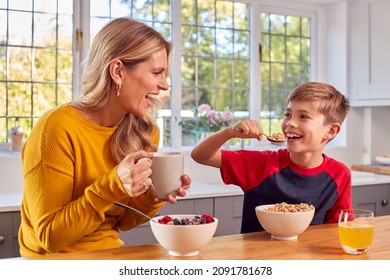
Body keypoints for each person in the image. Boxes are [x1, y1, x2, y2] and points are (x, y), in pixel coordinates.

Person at [18, 17, 191, 257]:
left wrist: (155, 196)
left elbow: (122, 222)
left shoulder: (144, 132)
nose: (164, 85)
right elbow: (50, 237)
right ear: (118, 71)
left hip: (108, 256)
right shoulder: (56, 128)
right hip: (52, 264)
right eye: (157, 72)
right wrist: (114, 183)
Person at [191, 82, 351, 233]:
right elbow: (200, 156)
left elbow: (338, 229)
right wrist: (229, 133)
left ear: (330, 131)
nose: (290, 123)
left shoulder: (340, 174)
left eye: (303, 117)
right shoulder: (262, 164)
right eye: (288, 115)